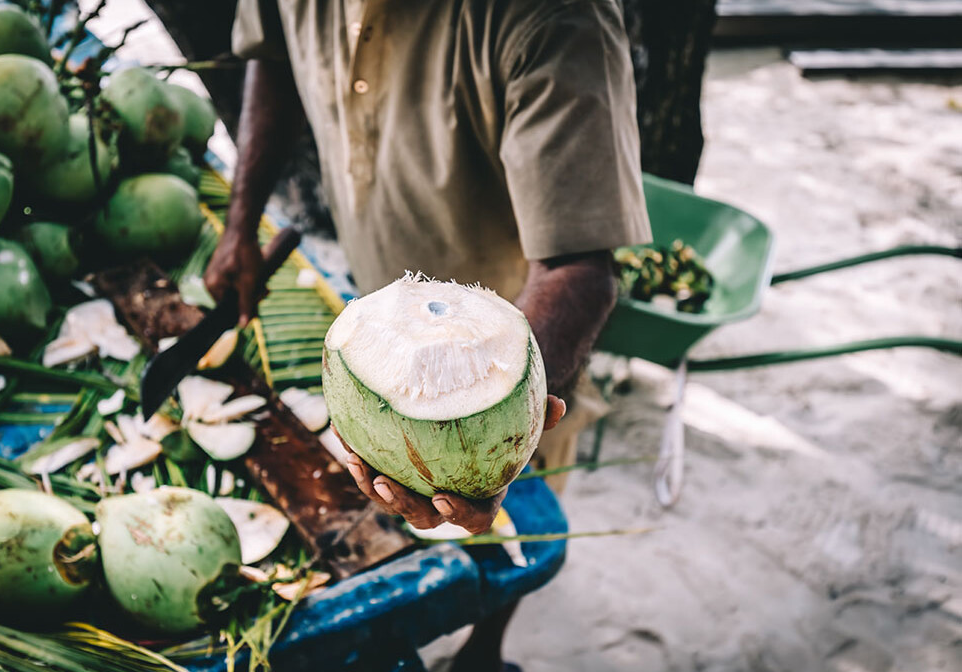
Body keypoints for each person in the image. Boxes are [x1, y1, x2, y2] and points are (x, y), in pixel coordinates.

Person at [204, 1, 652, 669]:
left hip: (525, 335)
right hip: (384, 290)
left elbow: (580, 265)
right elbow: (271, 52)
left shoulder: (557, 19)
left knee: (506, 527)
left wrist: (506, 424)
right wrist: (242, 223)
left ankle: (484, 652)